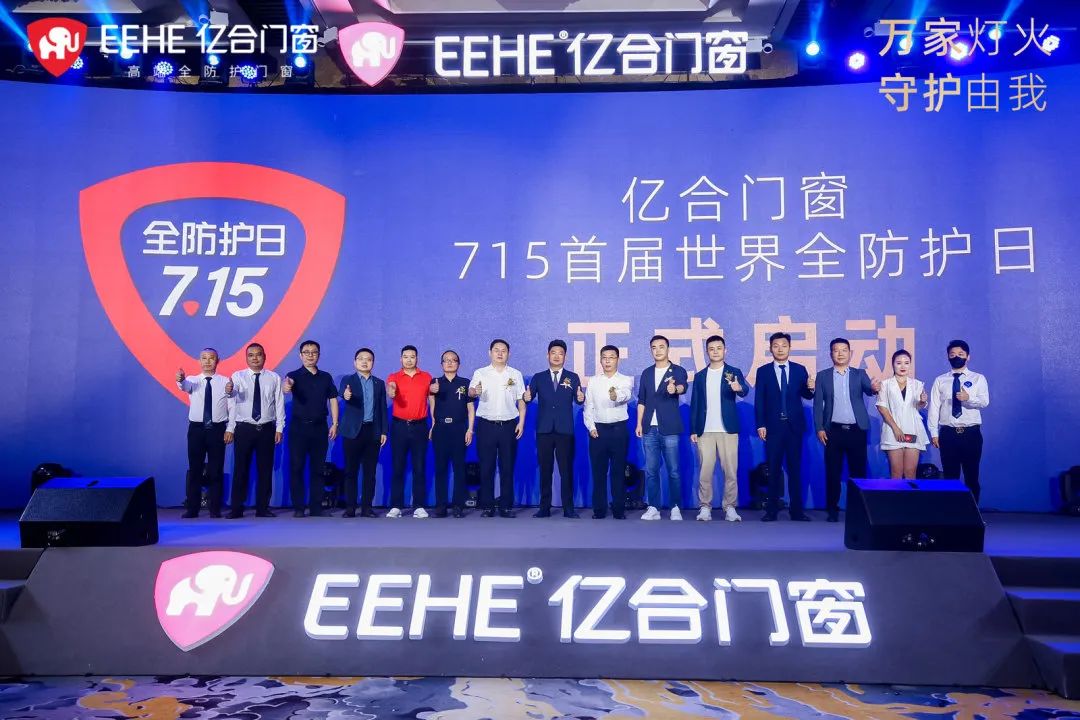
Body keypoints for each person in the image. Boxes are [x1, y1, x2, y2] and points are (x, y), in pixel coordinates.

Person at [812, 338, 882, 522]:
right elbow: (818, 405)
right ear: (831, 354)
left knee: (858, 472)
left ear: (850, 353)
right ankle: (832, 510)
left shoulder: (860, 374)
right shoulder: (823, 376)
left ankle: (858, 510)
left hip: (856, 430)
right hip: (833, 431)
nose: (840, 353)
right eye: (836, 350)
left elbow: (870, 390)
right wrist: (819, 428)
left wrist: (874, 388)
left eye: (844, 350)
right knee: (832, 472)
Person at [754, 332, 815, 521]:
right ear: (770, 348)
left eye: (784, 345)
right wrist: (761, 424)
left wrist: (811, 387)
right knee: (773, 469)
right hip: (773, 427)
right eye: (776, 346)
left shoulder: (799, 369)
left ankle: (796, 511)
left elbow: (807, 395)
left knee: (795, 469)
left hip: (794, 427)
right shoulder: (763, 371)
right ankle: (771, 511)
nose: (780, 349)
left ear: (789, 348)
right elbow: (759, 400)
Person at [689, 335, 749, 522]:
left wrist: (738, 388)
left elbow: (745, 390)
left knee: (730, 471)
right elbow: (695, 404)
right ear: (707, 352)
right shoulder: (700, 376)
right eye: (711, 349)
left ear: (725, 350)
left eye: (719, 348)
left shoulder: (733, 372)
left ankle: (730, 506)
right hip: (705, 430)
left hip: (727, 429)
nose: (715, 351)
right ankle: (705, 506)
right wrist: (693, 429)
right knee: (705, 471)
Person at [524, 340, 584, 518]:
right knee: (545, 470)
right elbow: (528, 397)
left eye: (560, 353)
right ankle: (544, 508)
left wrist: (581, 397)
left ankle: (568, 508)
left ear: (565, 356)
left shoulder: (572, 377)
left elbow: (578, 399)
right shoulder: (539, 377)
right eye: (553, 352)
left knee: (566, 470)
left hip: (565, 430)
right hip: (544, 430)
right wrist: (526, 396)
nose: (557, 356)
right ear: (547, 355)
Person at [469, 339, 526, 518]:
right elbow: (471, 392)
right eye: (496, 350)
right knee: (487, 467)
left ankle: (506, 506)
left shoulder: (515, 374)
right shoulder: (480, 373)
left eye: (503, 350)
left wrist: (521, 422)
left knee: (507, 467)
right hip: (486, 425)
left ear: (508, 353)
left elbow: (521, 400)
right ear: (490, 353)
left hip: (509, 425)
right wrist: (475, 392)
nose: (500, 353)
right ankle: (487, 506)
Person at [227, 343, 284, 518]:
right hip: (244, 428)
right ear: (246, 358)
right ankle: (237, 508)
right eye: (251, 355)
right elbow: (232, 400)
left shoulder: (274, 377)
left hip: (266, 429)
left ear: (264, 357)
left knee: (265, 470)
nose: (255, 358)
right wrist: (230, 428)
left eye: (258, 354)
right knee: (240, 469)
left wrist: (279, 427)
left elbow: (279, 403)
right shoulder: (238, 376)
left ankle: (262, 508)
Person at [928, 340, 990, 501]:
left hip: (971, 434)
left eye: (961, 354)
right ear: (948, 357)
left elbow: (984, 402)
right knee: (950, 477)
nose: (956, 357)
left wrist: (968, 399)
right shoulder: (940, 380)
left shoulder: (978, 378)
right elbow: (934, 407)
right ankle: (952, 513)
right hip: (948, 434)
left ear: (968, 357)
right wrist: (934, 433)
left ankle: (973, 512)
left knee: (972, 477)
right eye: (952, 354)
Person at [176, 348, 234, 518]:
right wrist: (180, 379)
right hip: (197, 430)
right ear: (199, 361)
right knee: (195, 469)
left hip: (217, 430)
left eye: (211, 358)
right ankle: (192, 508)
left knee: (216, 470)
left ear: (218, 361)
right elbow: (183, 386)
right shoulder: (192, 381)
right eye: (204, 358)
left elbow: (232, 407)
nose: (207, 361)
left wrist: (230, 429)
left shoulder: (226, 382)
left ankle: (215, 509)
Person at [636, 335, 689, 521]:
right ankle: (653, 507)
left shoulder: (678, 370)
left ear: (668, 349)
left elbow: (682, 386)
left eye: (661, 346)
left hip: (670, 428)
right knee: (651, 470)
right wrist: (639, 423)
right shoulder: (646, 373)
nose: (658, 350)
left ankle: (675, 507)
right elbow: (641, 400)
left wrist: (675, 389)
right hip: (649, 428)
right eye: (654, 347)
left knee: (673, 470)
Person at [283, 340, 339, 517]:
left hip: (320, 427)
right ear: (300, 355)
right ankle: (299, 508)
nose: (310, 355)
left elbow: (333, 400)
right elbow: (286, 387)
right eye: (306, 352)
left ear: (319, 355)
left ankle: (316, 507)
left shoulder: (326, 377)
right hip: (298, 428)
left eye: (314, 352)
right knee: (297, 467)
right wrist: (287, 386)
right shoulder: (293, 375)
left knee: (318, 468)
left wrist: (335, 423)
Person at [584, 345, 634, 519]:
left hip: (619, 430)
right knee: (598, 472)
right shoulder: (593, 381)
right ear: (600, 360)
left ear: (617, 360)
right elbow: (588, 406)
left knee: (618, 471)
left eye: (611, 357)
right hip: (598, 431)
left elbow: (626, 394)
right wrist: (591, 427)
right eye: (604, 357)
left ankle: (619, 509)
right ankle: (599, 509)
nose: (607, 361)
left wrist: (616, 396)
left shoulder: (625, 380)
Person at [339, 348, 387, 518]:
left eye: (368, 359)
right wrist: (346, 395)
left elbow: (382, 408)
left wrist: (384, 431)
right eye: (361, 359)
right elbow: (343, 393)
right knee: (351, 471)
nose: (364, 362)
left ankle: (367, 508)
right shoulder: (348, 380)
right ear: (355, 362)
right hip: (352, 432)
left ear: (373, 363)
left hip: (372, 431)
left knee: (370, 472)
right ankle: (350, 508)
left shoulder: (379, 383)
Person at [386, 346, 433, 519]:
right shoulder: (394, 376)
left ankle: (419, 506)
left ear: (417, 359)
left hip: (420, 426)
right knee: (398, 466)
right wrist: (391, 390)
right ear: (401, 359)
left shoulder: (426, 377)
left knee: (419, 467)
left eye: (412, 356)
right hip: (399, 426)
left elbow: (432, 400)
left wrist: (434, 422)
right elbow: (391, 387)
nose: (409, 360)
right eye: (405, 357)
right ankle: (396, 506)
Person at [429, 349, 474, 518]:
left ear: (458, 364)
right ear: (441, 364)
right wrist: (433, 424)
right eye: (446, 360)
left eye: (453, 360)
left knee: (459, 468)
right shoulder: (435, 382)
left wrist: (470, 429)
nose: (449, 363)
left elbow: (470, 408)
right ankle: (440, 506)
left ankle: (458, 506)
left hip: (459, 429)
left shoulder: (465, 383)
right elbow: (431, 405)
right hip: (441, 429)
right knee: (440, 468)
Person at [876, 349, 929, 480]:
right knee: (896, 473)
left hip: (913, 429)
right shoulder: (885, 385)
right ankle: (896, 495)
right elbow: (882, 407)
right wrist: (896, 428)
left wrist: (922, 401)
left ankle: (910, 495)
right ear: (893, 364)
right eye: (899, 363)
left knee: (910, 473)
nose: (903, 366)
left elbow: (918, 406)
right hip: (893, 431)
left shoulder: (917, 384)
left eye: (906, 363)